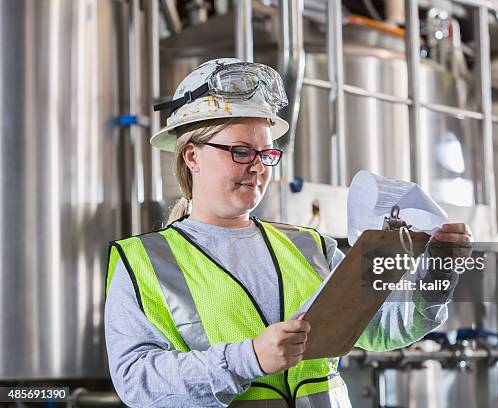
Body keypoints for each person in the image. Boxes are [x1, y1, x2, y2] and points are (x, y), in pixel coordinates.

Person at [104, 58, 472, 407]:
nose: (258, 168)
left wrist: (435, 277)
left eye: (266, 154)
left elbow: (383, 330)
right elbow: (137, 382)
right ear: (192, 156)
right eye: (241, 151)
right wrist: (248, 359)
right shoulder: (144, 261)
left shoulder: (308, 245)